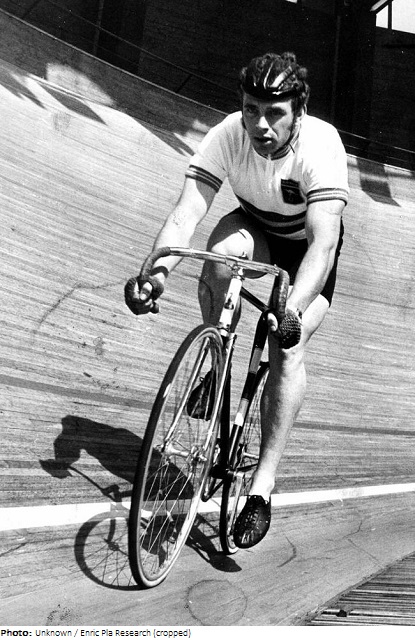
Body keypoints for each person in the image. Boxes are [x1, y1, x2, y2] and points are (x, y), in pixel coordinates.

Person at [125, 52, 349, 549]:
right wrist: (156, 273)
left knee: (286, 345)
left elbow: (323, 245)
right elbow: (186, 213)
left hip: (307, 253)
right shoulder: (228, 133)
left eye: (275, 113)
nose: (260, 125)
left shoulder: (322, 145)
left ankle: (262, 486)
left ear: (299, 111)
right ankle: (218, 359)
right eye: (251, 109)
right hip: (256, 229)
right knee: (218, 255)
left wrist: (291, 310)